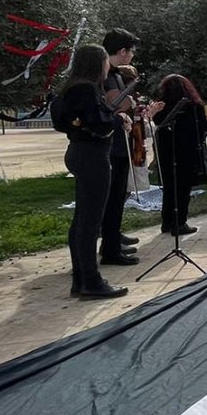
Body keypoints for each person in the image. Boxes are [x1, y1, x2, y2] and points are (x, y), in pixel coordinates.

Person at [58, 45, 134, 298]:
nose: (107, 67)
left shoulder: (72, 87)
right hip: (92, 155)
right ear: (96, 63)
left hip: (80, 151)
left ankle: (81, 279)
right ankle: (90, 280)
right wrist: (120, 120)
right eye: (105, 61)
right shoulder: (87, 89)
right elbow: (100, 125)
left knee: (82, 219)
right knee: (89, 222)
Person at [99, 28, 143, 265]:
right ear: (122, 51)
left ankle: (112, 240)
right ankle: (110, 249)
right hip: (113, 144)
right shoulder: (108, 75)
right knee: (114, 197)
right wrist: (131, 103)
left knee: (117, 197)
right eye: (131, 52)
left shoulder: (112, 72)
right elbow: (119, 103)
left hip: (117, 142)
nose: (132, 57)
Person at [153, 74, 207, 236]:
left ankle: (167, 222)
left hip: (166, 152)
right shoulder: (193, 105)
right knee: (183, 187)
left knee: (169, 187)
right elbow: (204, 126)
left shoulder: (162, 106)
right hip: (187, 151)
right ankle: (180, 222)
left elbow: (157, 122)